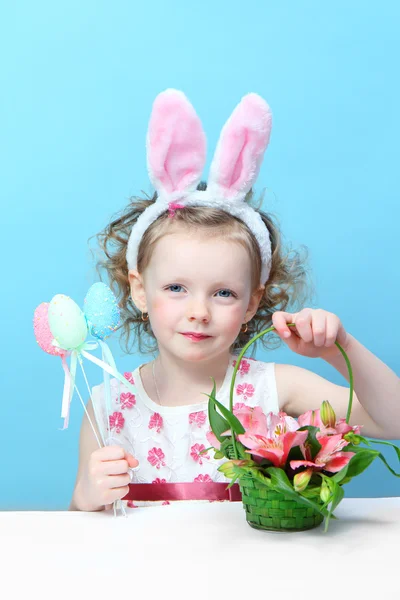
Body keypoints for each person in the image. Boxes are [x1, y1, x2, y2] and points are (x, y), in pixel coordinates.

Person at [69, 89, 399, 512]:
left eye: (223, 293)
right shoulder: (107, 406)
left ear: (251, 303)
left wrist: (342, 351)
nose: (199, 312)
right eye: (176, 288)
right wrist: (84, 499)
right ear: (139, 290)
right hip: (145, 578)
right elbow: (79, 532)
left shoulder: (274, 389)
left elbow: (394, 422)